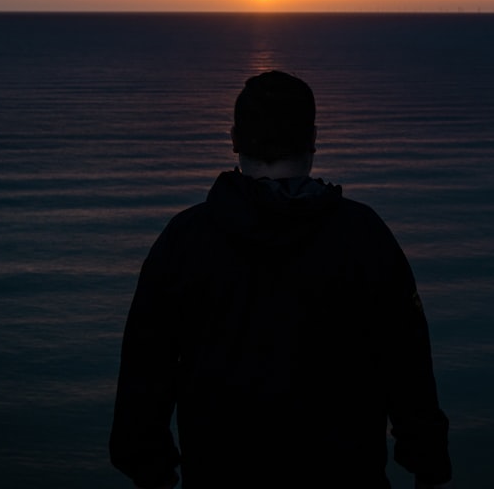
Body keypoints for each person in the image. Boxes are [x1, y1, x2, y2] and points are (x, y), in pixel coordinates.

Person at [109, 70, 452, 489]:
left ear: (234, 139)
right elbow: (407, 361)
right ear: (312, 139)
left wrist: (150, 468)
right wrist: (427, 462)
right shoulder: (363, 235)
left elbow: (145, 369)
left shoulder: (185, 240)